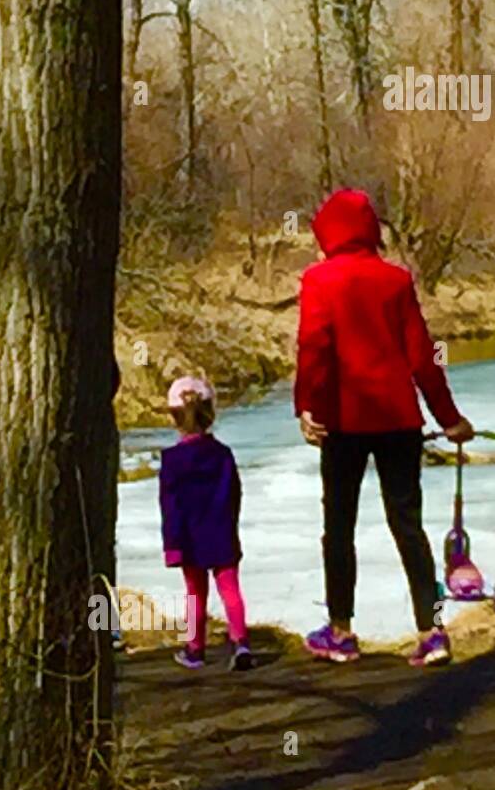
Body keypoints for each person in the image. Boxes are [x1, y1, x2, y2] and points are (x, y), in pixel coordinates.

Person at [294, 188, 475, 666]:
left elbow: (313, 348)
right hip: (399, 419)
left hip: (343, 421)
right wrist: (449, 419)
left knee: (339, 526)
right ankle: (431, 631)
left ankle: (340, 631)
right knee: (408, 525)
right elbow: (422, 356)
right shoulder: (396, 280)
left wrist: (306, 407)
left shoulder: (318, 280)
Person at [159, 376, 253, 671]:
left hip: (188, 536)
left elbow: (169, 506)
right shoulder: (223, 455)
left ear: (174, 418)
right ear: (210, 413)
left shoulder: (172, 460)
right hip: (222, 532)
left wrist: (172, 545)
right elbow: (235, 494)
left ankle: (195, 650)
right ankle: (241, 643)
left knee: (194, 594)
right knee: (230, 589)